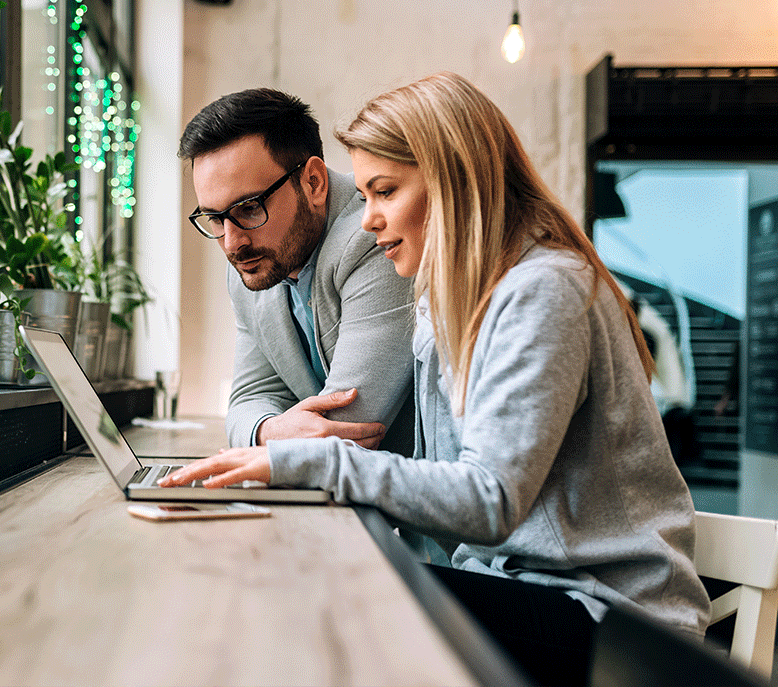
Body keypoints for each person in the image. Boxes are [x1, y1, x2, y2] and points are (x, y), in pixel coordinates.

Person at [164, 73, 711, 687]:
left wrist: (300, 461)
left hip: (613, 624)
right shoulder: (449, 301)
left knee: (320, 614)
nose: (368, 219)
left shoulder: (544, 290)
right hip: (523, 588)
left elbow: (489, 500)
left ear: (455, 182)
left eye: (385, 192)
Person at [178, 87, 416, 455]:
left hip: (407, 501)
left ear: (313, 183)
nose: (231, 243)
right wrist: (268, 432)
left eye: (249, 208)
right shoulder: (255, 262)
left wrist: (271, 436)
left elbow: (346, 428)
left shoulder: (379, 238)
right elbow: (249, 398)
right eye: (215, 218)